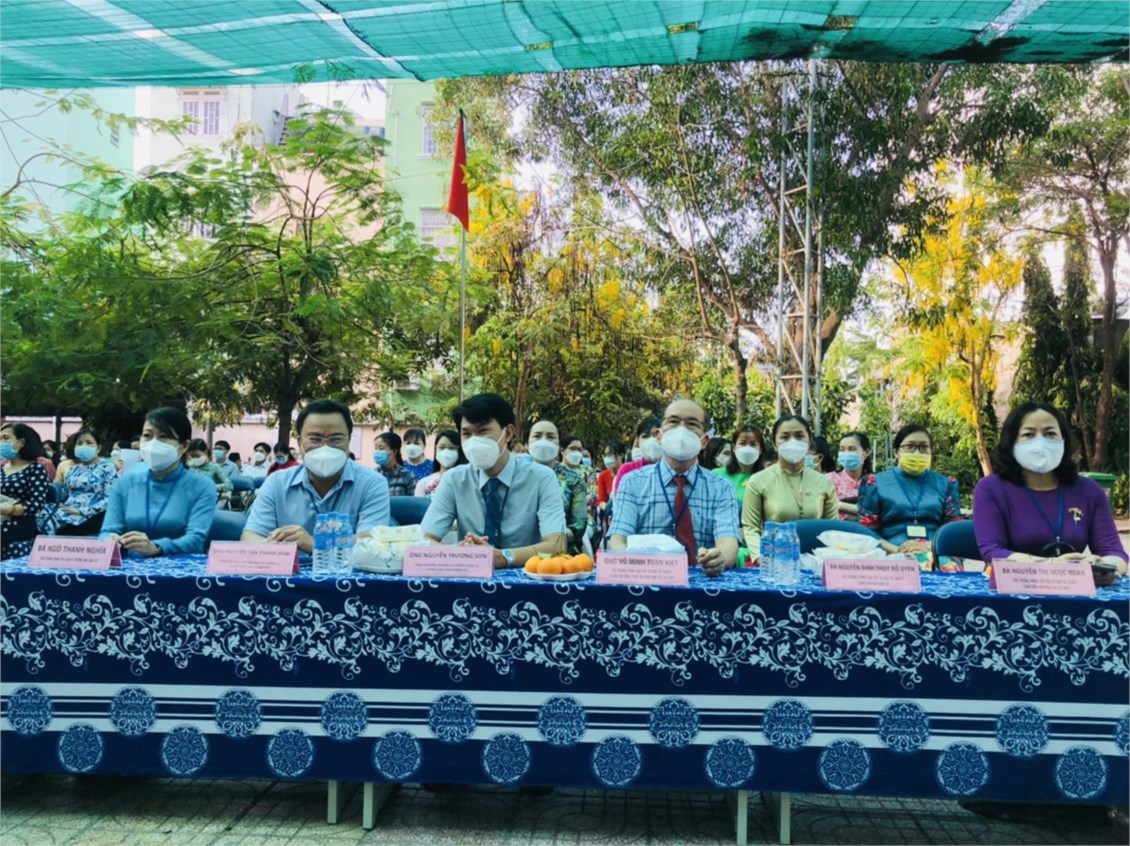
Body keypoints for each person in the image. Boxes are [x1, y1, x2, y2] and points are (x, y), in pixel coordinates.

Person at [973, 402, 1126, 585]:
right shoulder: (990, 489)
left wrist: (1106, 567)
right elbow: (993, 552)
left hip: (1074, 590)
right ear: (1011, 442)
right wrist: (1052, 566)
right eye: (1028, 434)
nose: (1041, 442)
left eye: (1050, 434)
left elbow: (1115, 553)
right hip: (1012, 589)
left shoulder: (1089, 491)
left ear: (1064, 440)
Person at [420, 393, 566, 568]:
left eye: (482, 431)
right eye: (466, 434)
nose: (474, 441)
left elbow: (557, 545)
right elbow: (424, 540)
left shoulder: (541, 478)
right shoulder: (454, 479)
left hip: (525, 575)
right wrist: (457, 553)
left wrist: (504, 557)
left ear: (508, 433)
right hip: (471, 575)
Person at [609, 399, 740, 577]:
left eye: (692, 423)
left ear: (704, 441)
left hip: (704, 584)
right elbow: (617, 541)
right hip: (647, 581)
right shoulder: (632, 482)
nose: (681, 429)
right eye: (673, 421)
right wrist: (632, 562)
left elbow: (728, 543)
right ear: (659, 435)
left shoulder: (721, 488)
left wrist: (719, 558)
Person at [242, 399, 390, 553]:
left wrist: (315, 544)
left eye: (336, 439)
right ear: (299, 442)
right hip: (288, 567)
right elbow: (251, 535)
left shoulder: (372, 483)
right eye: (315, 439)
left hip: (347, 569)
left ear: (349, 440)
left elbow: (370, 541)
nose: (325, 448)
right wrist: (275, 550)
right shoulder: (276, 482)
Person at [99, 408, 218, 556]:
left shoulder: (202, 486)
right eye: (147, 435)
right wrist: (110, 539)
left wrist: (156, 547)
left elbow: (196, 539)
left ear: (184, 446)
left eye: (163, 436)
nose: (153, 443)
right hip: (129, 565)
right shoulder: (123, 484)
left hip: (182, 566)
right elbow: (107, 531)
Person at [742, 415, 838, 563]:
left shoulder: (824, 482)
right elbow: (751, 528)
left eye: (799, 436)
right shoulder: (758, 481)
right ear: (774, 444)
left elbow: (832, 529)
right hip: (773, 560)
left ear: (809, 441)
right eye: (785, 437)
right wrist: (762, 558)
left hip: (816, 563)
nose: (793, 442)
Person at [858, 424, 961, 555]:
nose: (917, 452)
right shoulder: (874, 483)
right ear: (896, 452)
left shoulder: (946, 484)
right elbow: (867, 531)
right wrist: (898, 551)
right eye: (910, 446)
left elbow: (952, 530)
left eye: (924, 447)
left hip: (936, 552)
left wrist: (928, 547)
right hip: (889, 552)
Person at [528, 420, 588, 554]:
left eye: (550, 437)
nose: (544, 441)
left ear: (559, 445)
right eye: (537, 436)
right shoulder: (517, 476)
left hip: (561, 555)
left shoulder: (574, 480)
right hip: (517, 550)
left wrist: (554, 538)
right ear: (528, 442)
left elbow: (580, 523)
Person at [44, 427, 116, 536]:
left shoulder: (107, 468)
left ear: (98, 448)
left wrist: (82, 511)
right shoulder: (73, 470)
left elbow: (110, 498)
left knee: (65, 530)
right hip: (68, 511)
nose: (83, 446)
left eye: (89, 443)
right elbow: (66, 495)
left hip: (94, 514)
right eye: (79, 443)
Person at [1, 422, 51, 559]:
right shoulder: (1, 469)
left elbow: (37, 504)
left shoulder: (36, 469)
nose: (1, 442)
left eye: (6, 438)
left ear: (21, 442)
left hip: (20, 522)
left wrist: (9, 510)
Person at [713, 426, 769, 505]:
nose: (747, 448)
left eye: (753, 444)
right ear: (734, 448)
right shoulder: (716, 475)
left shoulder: (766, 478)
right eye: (742, 443)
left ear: (761, 450)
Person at [826, 431, 872, 521]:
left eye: (852, 449)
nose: (846, 453)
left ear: (866, 452)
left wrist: (840, 506)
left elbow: (875, 512)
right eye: (842, 449)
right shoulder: (829, 479)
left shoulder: (874, 482)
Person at [613, 415, 664, 494]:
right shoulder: (627, 470)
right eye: (645, 436)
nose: (651, 440)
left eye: (656, 435)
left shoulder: (674, 469)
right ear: (638, 441)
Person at [414, 430, 465, 497]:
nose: (446, 452)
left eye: (451, 448)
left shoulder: (466, 481)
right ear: (436, 449)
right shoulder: (424, 483)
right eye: (442, 447)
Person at [373, 431, 417, 496]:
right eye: (376, 448)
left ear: (394, 451)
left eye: (381, 448)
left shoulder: (407, 476)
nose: (377, 451)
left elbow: (413, 500)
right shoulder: (373, 475)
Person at [596, 441, 626, 512]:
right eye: (605, 455)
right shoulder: (603, 475)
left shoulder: (629, 473)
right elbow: (600, 499)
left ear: (621, 455)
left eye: (610, 454)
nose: (607, 458)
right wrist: (607, 508)